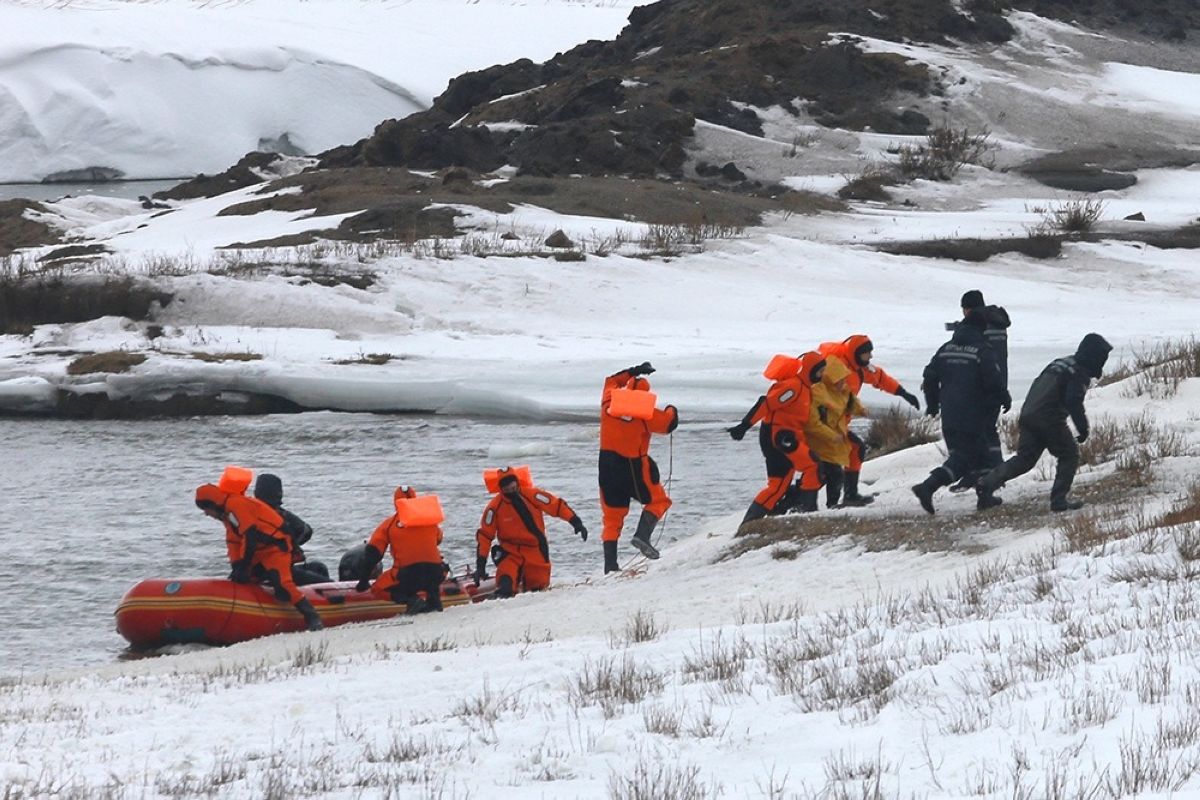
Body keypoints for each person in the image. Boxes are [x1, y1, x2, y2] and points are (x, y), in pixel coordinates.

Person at [976, 334, 1112, 513]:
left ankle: (986, 484)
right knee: (1069, 454)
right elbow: (1073, 400)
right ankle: (1059, 500)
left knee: (1025, 459)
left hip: (1029, 414)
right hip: (1049, 418)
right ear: (1095, 356)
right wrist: (1083, 428)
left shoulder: (1060, 363)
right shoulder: (1079, 371)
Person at [195, 466, 324, 631]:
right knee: (246, 579)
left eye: (205, 510)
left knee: (283, 584)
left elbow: (250, 536)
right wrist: (237, 567)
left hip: (275, 548)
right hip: (259, 551)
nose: (206, 514)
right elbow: (234, 542)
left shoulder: (237, 504)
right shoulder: (227, 515)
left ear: (212, 504)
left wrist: (245, 564)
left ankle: (312, 616)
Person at [911, 313, 1011, 515]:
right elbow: (993, 380)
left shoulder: (946, 349)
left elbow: (929, 375)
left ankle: (985, 497)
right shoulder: (982, 350)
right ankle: (928, 486)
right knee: (965, 459)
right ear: (981, 329)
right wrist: (1004, 397)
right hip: (973, 414)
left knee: (977, 455)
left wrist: (933, 404)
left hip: (950, 414)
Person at [818, 335, 921, 505]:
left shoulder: (860, 367)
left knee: (852, 451)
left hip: (837, 425)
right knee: (828, 465)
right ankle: (822, 503)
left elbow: (879, 378)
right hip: (824, 425)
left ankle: (843, 498)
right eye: (867, 353)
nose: (870, 357)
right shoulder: (835, 366)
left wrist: (903, 393)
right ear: (856, 353)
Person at [729, 351, 827, 527]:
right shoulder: (793, 387)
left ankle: (752, 522)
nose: (823, 375)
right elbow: (765, 404)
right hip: (779, 437)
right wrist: (744, 426)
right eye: (820, 371)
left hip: (785, 436)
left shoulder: (805, 388)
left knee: (778, 486)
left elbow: (796, 414)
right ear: (811, 370)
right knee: (812, 466)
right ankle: (807, 511)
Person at [598, 362, 679, 571]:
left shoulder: (608, 402)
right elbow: (669, 424)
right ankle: (642, 536)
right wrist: (672, 409)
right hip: (633, 465)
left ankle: (610, 565)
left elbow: (611, 380)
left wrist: (634, 370)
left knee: (612, 516)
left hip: (606, 465)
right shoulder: (646, 413)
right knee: (659, 500)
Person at [473, 467, 588, 597]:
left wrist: (576, 523)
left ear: (517, 482)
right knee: (506, 584)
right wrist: (480, 565)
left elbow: (556, 506)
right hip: (510, 553)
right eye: (507, 488)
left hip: (536, 551)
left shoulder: (533, 495)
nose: (511, 490)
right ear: (501, 488)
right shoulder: (494, 508)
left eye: (512, 486)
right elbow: (485, 537)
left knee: (539, 589)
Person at [946, 290, 1013, 491]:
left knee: (978, 433)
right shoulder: (997, 323)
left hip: (982, 387)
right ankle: (995, 471)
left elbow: (975, 352)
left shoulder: (980, 327)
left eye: (964, 309)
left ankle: (980, 475)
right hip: (997, 382)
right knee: (988, 430)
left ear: (969, 309)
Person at [356, 487, 447, 614]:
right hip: (438, 573)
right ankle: (434, 601)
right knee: (432, 572)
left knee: (377, 589)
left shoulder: (389, 524)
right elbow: (438, 539)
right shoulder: (430, 521)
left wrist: (363, 581)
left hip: (408, 575)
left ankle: (411, 600)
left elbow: (374, 553)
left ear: (396, 502)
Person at [804, 355, 866, 508]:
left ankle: (838, 501)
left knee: (834, 472)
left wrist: (862, 410)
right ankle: (807, 504)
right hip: (821, 440)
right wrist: (831, 436)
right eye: (839, 379)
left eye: (844, 379)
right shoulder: (817, 392)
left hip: (835, 438)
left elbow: (851, 403)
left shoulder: (842, 390)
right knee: (824, 475)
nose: (843, 382)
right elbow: (812, 423)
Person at [253, 473, 330, 585]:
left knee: (318, 568)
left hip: (268, 570)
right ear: (278, 495)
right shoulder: (278, 516)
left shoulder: (247, 512)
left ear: (256, 493)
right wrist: (290, 544)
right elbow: (306, 531)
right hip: (272, 573)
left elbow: (306, 531)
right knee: (327, 583)